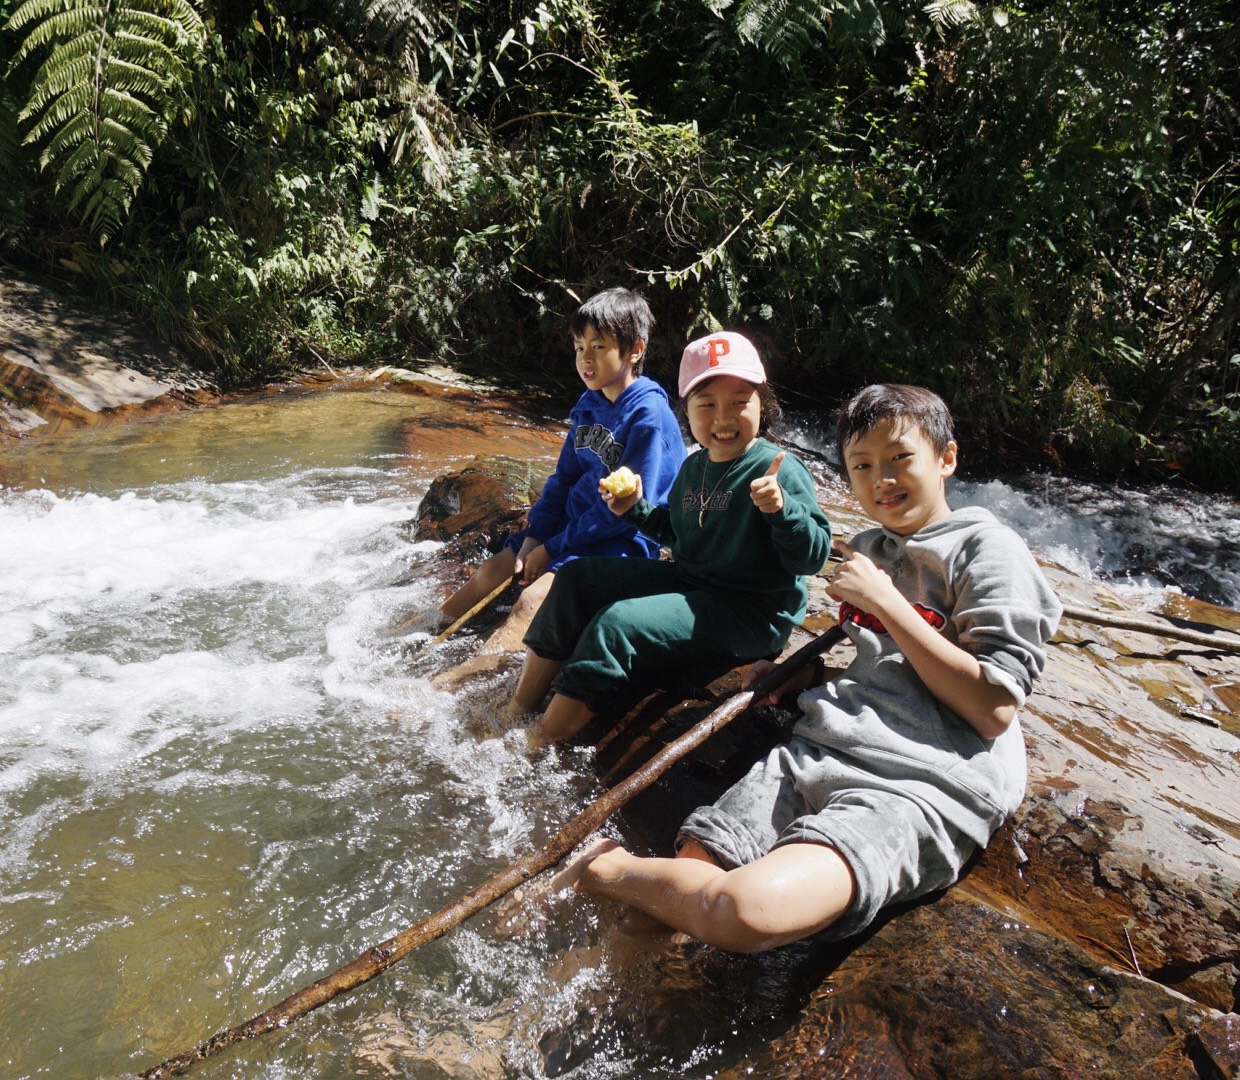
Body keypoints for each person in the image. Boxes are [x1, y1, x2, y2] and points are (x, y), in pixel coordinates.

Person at [550, 383, 1062, 952]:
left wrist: (888, 603)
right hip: (822, 746)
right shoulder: (871, 545)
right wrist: (809, 679)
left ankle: (605, 868)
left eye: (900, 458)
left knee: (739, 909)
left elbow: (993, 708)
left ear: (947, 458)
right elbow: (885, 666)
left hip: (918, 783)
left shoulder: (988, 549)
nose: (881, 480)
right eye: (862, 465)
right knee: (686, 875)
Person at [507, 330, 831, 741]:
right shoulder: (695, 469)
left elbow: (813, 558)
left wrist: (782, 511)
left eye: (739, 402)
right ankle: (520, 705)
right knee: (575, 579)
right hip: (694, 583)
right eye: (707, 404)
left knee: (617, 624)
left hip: (753, 611)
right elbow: (680, 536)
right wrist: (634, 510)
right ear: (688, 411)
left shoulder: (777, 468)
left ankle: (541, 739)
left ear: (762, 405)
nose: (724, 418)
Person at [436, 287, 686, 656]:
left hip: (619, 541)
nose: (586, 358)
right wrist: (537, 535)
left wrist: (553, 548)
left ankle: (461, 680)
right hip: (570, 528)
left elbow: (627, 512)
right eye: (579, 347)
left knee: (531, 602)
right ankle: (425, 630)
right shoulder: (589, 405)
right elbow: (563, 477)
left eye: (599, 347)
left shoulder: (648, 418)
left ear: (635, 350)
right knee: (491, 572)